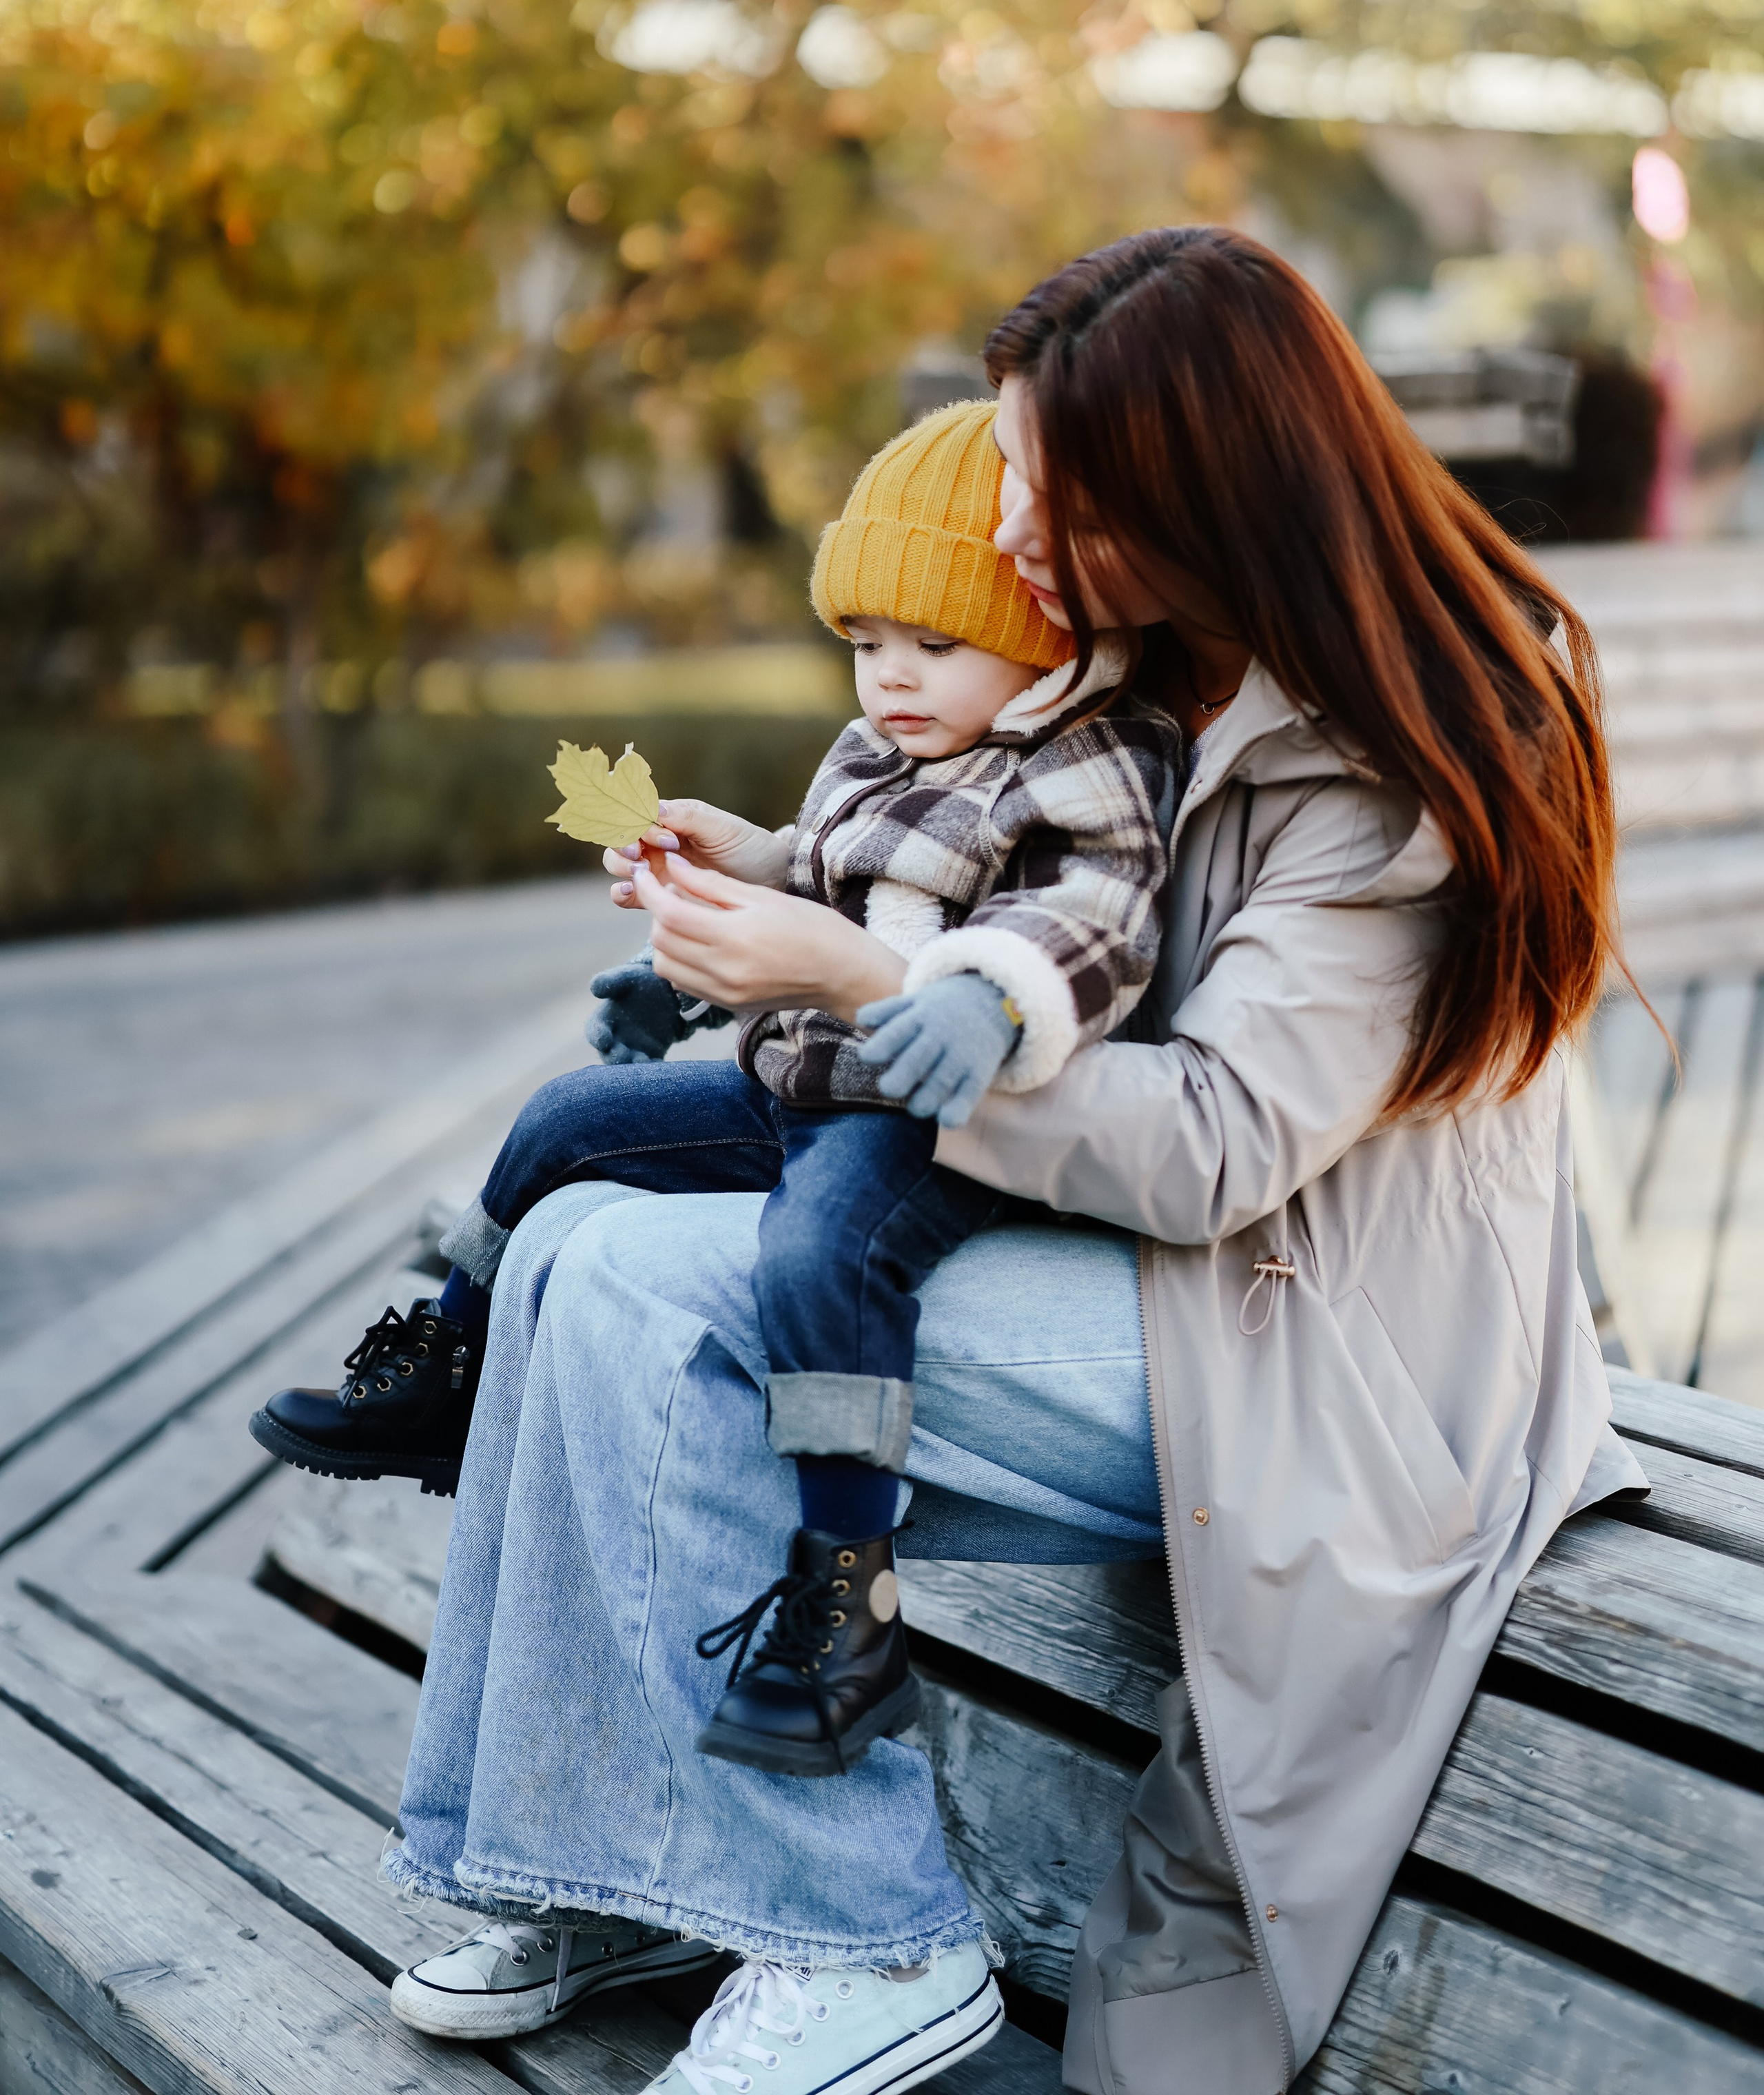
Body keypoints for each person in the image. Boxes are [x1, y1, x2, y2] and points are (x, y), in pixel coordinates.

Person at [377, 227, 1642, 2095]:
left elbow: (1218, 1146)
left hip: (1324, 1354)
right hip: (1126, 1267)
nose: (1017, 527)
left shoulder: (1420, 744)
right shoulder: (1149, 657)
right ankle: (628, 1853)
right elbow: (985, 860)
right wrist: (789, 873)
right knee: (575, 1232)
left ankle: (865, 1941)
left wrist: (870, 982)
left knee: (661, 1294)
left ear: (1200, 489)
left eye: (1060, 494)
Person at [252, 402, 1180, 1777]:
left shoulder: (1081, 761)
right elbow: (822, 875)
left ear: (1042, 638)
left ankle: (847, 1591)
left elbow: (1096, 920)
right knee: (564, 1125)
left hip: (927, 1125)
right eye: (866, 645)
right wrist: (711, 905)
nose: (891, 679)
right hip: (795, 1085)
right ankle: (445, 1363)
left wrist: (988, 1001)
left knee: (812, 1261)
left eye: (934, 644)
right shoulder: (886, 750)